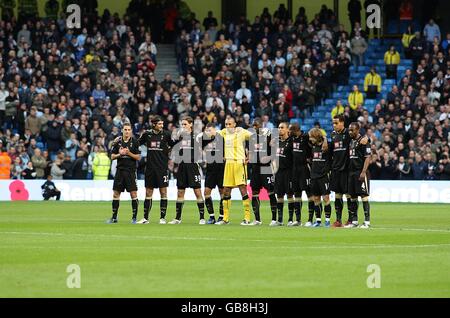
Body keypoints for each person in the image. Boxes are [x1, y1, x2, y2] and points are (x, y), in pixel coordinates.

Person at [329, 115, 368, 227]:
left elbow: (360, 136)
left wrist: (367, 138)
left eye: (336, 123)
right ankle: (338, 220)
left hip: (346, 169)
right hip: (336, 170)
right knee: (337, 195)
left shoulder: (348, 133)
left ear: (342, 123)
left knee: (349, 195)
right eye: (333, 123)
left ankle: (351, 219)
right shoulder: (332, 135)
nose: (334, 125)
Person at [168, 116, 205, 225]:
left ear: (190, 124)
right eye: (182, 124)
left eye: (185, 124)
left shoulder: (197, 136)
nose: (183, 126)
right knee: (180, 192)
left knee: (197, 191)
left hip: (193, 166)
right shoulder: (179, 136)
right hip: (182, 166)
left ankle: (202, 218)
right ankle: (178, 218)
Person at [137, 116, 173, 224]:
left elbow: (173, 145)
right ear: (153, 124)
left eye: (162, 124)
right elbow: (137, 143)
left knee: (163, 192)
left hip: (162, 168)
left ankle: (162, 218)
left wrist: (167, 152)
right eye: (159, 124)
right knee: (148, 192)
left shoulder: (166, 134)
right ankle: (145, 218)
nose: (162, 126)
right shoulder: (147, 134)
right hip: (150, 168)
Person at [217, 116, 252, 225]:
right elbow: (212, 133)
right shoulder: (224, 132)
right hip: (228, 164)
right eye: (226, 124)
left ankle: (247, 218)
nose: (227, 126)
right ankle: (225, 219)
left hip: (239, 163)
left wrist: (250, 153)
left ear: (234, 124)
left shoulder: (241, 132)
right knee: (226, 190)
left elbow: (254, 137)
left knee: (242, 189)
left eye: (229, 124)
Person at [107, 122, 141, 224]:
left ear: (131, 131)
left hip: (131, 171)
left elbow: (138, 157)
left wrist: (128, 153)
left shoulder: (135, 142)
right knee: (116, 194)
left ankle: (134, 218)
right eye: (125, 129)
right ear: (122, 130)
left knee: (133, 194)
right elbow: (112, 157)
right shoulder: (117, 141)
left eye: (128, 130)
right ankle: (114, 217)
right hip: (120, 171)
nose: (127, 131)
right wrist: (120, 154)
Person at [248, 118, 277, 226]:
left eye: (256, 125)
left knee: (271, 192)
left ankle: (274, 219)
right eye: (253, 126)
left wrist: (269, 157)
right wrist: (250, 158)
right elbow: (250, 152)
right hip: (255, 168)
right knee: (254, 193)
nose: (254, 127)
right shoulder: (252, 137)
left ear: (261, 124)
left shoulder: (268, 135)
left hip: (266, 168)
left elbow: (275, 151)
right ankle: (257, 220)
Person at [345, 122, 372, 229]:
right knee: (353, 197)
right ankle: (354, 221)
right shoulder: (351, 141)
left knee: (364, 196)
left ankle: (367, 221)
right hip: (351, 173)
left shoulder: (364, 141)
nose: (350, 132)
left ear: (358, 130)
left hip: (360, 172)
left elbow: (368, 157)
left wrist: (364, 172)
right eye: (349, 130)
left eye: (352, 130)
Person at [198, 122, 225, 224]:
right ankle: (212, 216)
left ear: (214, 129)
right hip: (210, 169)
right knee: (206, 192)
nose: (207, 132)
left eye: (209, 130)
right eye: (206, 130)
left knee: (222, 192)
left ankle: (222, 216)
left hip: (221, 168)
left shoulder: (222, 138)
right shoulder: (204, 139)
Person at [289, 123, 315, 227]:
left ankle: (310, 219)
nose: (289, 132)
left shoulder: (306, 137)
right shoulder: (291, 138)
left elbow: (318, 142)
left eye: (291, 130)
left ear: (297, 130)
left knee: (309, 194)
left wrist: (311, 159)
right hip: (295, 169)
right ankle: (298, 220)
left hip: (305, 168)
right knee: (297, 194)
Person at [308, 127, 332, 227]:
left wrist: (325, 139)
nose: (310, 139)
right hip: (314, 176)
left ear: (316, 136)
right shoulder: (312, 147)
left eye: (311, 137)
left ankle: (327, 220)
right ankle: (318, 220)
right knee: (316, 198)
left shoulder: (326, 146)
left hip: (323, 176)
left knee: (326, 198)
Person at [272, 122, 294, 226]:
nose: (279, 129)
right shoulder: (276, 142)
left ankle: (290, 219)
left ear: (287, 130)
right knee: (279, 196)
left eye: (282, 127)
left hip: (288, 172)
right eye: (279, 127)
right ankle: (280, 220)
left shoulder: (291, 142)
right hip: (278, 172)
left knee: (290, 195)